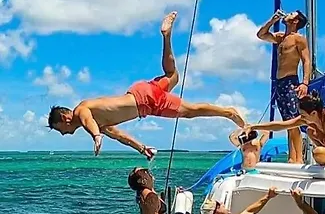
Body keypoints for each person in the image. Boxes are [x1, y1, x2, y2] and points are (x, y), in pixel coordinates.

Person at [47, 12, 246, 159]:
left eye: (59, 129)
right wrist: (142, 148)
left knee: (190, 111)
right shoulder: (96, 119)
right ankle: (166, 36)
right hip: (140, 91)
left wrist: (96, 137)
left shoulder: (81, 110)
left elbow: (87, 119)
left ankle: (228, 112)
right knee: (173, 76)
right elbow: (119, 135)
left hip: (146, 102)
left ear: (65, 118)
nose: (62, 134)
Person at [244, 91, 325, 165]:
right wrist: (253, 126)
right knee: (310, 131)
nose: (301, 117)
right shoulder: (309, 120)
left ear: (313, 113)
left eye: (303, 115)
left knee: (318, 153)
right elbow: (281, 125)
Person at [257, 10, 311, 164]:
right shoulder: (280, 37)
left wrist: (304, 83)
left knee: (293, 121)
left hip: (291, 82)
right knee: (287, 121)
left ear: (296, 21)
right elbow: (261, 35)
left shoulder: (299, 39)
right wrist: (272, 20)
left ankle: (298, 158)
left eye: (292, 13)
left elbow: (306, 60)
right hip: (279, 83)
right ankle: (291, 158)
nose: (288, 14)